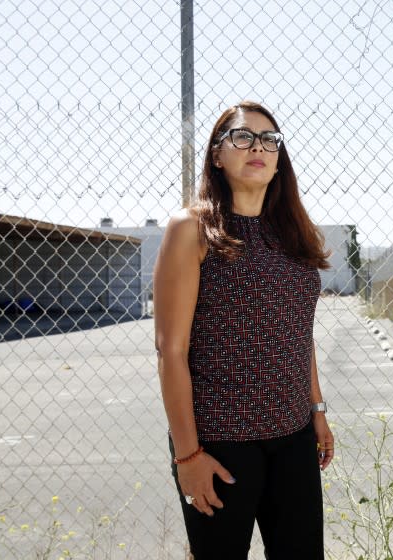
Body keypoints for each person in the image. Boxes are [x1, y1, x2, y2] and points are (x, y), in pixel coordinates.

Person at [153, 101, 334, 559]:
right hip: (220, 445)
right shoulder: (191, 229)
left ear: (279, 159)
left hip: (293, 437)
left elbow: (299, 331)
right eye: (242, 136)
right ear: (217, 155)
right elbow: (170, 352)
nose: (258, 146)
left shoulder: (292, 233)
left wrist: (316, 409)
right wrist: (188, 456)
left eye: (269, 139)